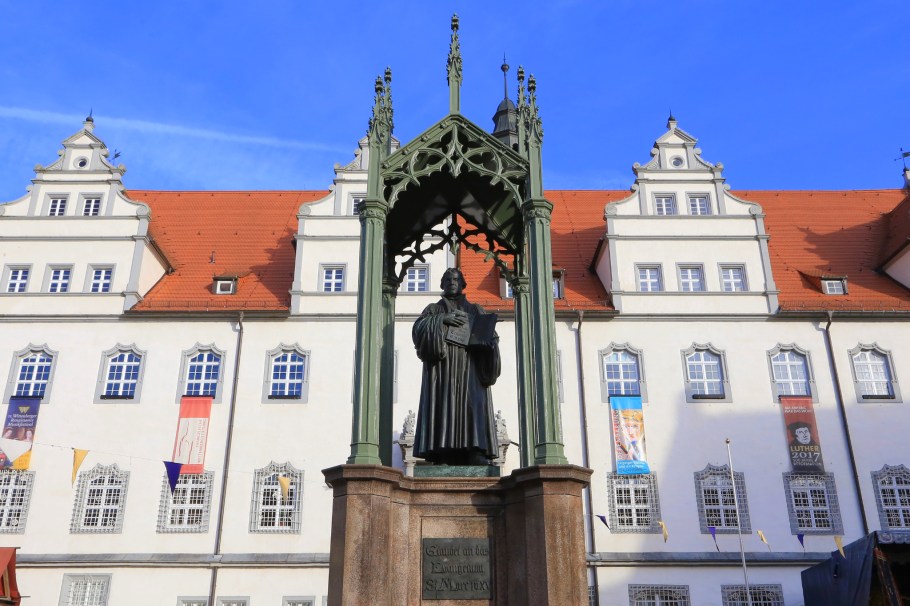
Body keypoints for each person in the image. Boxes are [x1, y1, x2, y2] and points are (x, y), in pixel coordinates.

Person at [412, 268, 500, 465]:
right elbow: (418, 330)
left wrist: (490, 344)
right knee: (443, 405)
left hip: (471, 367)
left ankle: (476, 450)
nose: (452, 282)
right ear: (442, 284)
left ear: (462, 284)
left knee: (473, 405)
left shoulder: (476, 310)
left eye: (456, 279)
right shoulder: (433, 310)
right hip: (442, 370)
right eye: (448, 279)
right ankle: (443, 452)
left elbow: (491, 337)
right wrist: (441, 320)